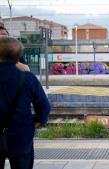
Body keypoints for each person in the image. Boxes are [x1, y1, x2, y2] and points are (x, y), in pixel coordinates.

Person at [0, 37, 51, 169]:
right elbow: (44, 106)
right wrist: (38, 121)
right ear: (18, 57)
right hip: (21, 135)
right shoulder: (27, 77)